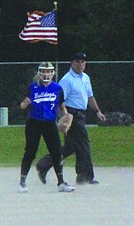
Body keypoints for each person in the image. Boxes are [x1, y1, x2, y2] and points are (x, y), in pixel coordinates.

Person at [36, 51, 106, 185]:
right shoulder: (67, 80)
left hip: (81, 114)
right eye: (77, 61)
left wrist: (97, 111)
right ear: (72, 63)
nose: (80, 64)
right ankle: (85, 176)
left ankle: (44, 164)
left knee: (71, 148)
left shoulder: (85, 78)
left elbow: (90, 96)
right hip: (72, 116)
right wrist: (64, 120)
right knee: (84, 145)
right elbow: (59, 101)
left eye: (83, 62)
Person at [18, 62, 74, 194]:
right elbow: (22, 106)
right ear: (39, 72)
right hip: (34, 123)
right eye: (44, 71)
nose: (46, 74)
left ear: (53, 73)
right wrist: (25, 104)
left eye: (49, 71)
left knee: (57, 152)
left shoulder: (57, 88)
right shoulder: (32, 87)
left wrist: (66, 117)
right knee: (30, 152)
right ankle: (22, 182)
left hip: (49, 123)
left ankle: (61, 182)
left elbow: (61, 106)